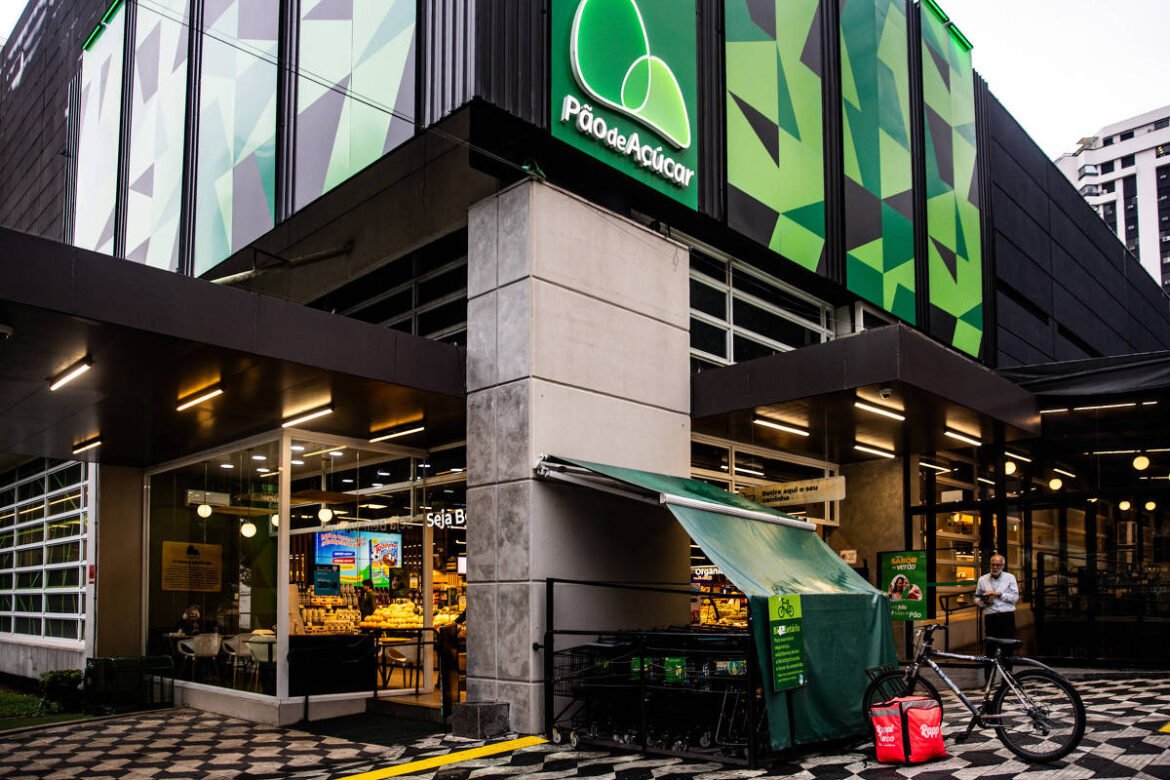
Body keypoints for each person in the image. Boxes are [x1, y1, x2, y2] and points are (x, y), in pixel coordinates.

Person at [975, 554, 1019, 653]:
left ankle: (1006, 663)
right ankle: (990, 663)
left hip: (1007, 616)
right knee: (990, 647)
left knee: (1008, 647)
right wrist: (985, 602)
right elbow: (977, 599)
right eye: (993, 564)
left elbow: (1014, 597)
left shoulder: (1010, 578)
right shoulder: (982, 579)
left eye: (998, 565)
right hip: (991, 617)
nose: (995, 567)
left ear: (1003, 566)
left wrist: (999, 594)